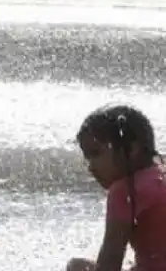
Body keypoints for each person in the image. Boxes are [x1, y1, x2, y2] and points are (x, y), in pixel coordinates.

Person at [68, 104, 166, 271]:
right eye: (87, 158)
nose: (90, 167)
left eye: (96, 154)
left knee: (76, 267)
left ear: (131, 149)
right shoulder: (159, 176)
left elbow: (110, 262)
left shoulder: (126, 191)